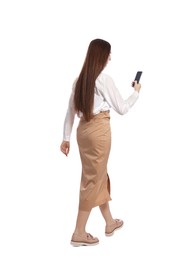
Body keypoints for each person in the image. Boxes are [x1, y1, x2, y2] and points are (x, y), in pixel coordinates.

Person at [60, 38, 141, 246]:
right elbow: (122, 108)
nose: (110, 57)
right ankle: (79, 232)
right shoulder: (104, 79)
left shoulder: (79, 80)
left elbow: (70, 112)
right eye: (109, 54)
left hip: (83, 132)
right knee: (92, 180)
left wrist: (66, 138)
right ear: (102, 56)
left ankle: (109, 221)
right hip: (99, 132)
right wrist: (136, 92)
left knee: (98, 174)